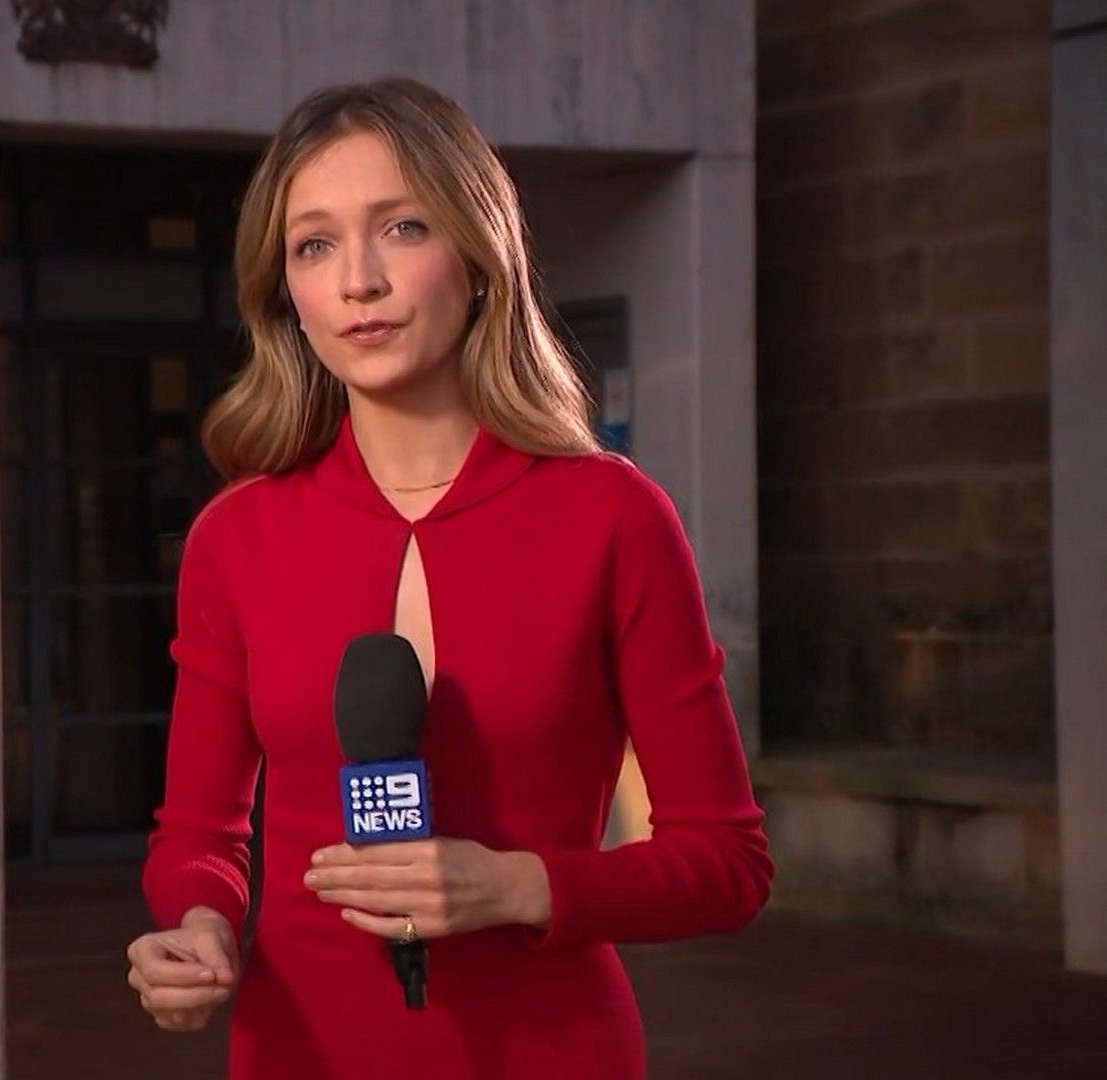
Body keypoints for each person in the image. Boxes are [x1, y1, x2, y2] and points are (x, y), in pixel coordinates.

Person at [123, 78, 773, 1078]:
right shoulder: (235, 540)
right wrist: (199, 926)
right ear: (285, 295)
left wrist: (519, 888)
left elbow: (728, 865)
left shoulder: (613, 518)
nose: (359, 281)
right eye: (315, 245)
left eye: (403, 228)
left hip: (553, 1054)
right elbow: (198, 838)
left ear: (477, 257)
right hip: (303, 1054)